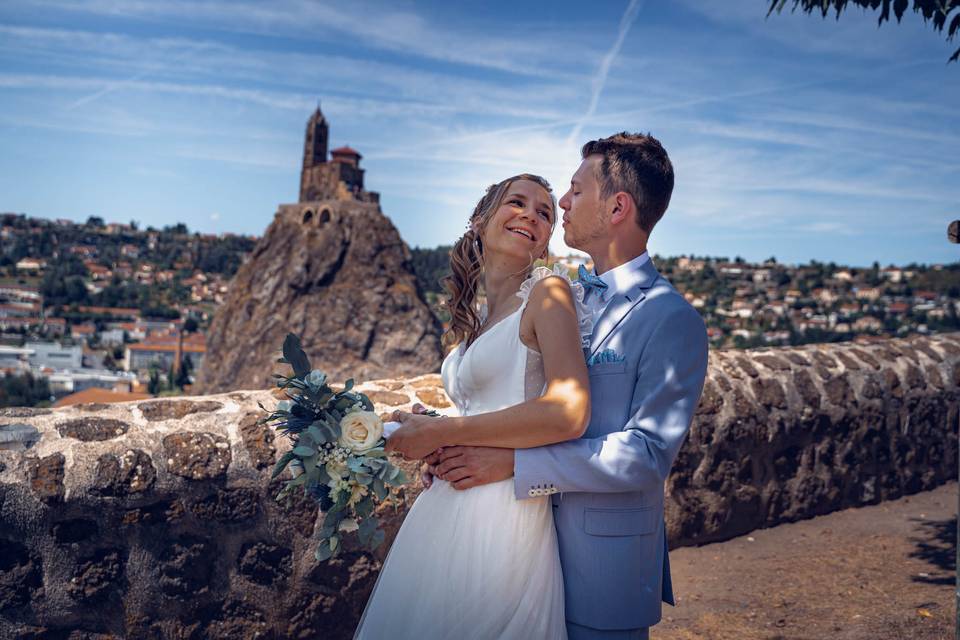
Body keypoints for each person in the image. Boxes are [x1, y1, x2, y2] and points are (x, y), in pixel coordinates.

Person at [389, 133, 708, 639]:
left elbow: (646, 454)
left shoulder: (670, 318)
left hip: (598, 565)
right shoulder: (558, 296)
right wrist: (452, 438)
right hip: (508, 537)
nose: (561, 204)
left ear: (618, 207)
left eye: (576, 192)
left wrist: (516, 465)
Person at [354, 173, 593, 639]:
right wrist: (435, 427)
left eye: (545, 212)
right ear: (481, 221)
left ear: (545, 240)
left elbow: (569, 410)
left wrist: (446, 434)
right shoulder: (479, 316)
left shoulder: (549, 293)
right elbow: (493, 404)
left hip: (502, 516)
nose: (531, 214)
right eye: (517, 202)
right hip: (446, 505)